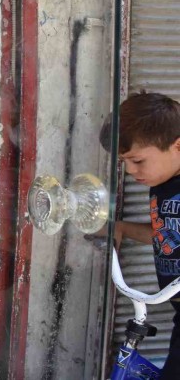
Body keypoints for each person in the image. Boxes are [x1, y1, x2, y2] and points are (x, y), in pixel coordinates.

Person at [99, 92, 180, 379]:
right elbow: (165, 236)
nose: (131, 171)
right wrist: (119, 228)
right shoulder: (163, 184)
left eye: (138, 161)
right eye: (125, 162)